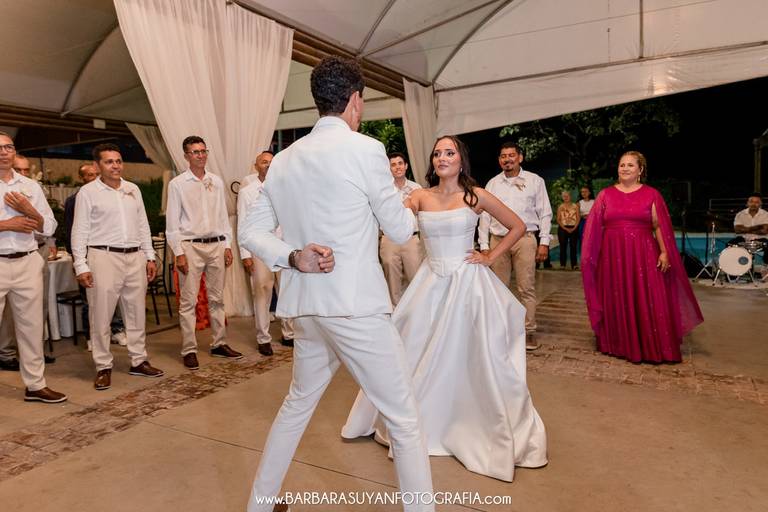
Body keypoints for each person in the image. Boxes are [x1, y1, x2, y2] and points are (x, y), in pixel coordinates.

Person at [238, 56, 434, 512]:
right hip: (355, 308)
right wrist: (412, 207)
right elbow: (399, 229)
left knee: (296, 406)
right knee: (404, 420)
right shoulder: (365, 150)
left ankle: (259, 507)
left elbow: (250, 232)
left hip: (307, 308)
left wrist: (293, 257)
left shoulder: (284, 160)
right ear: (355, 101)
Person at [342, 135, 548, 482]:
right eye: (437, 153)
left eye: (449, 152)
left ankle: (469, 421)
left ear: (460, 159)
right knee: (412, 351)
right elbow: (389, 219)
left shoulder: (476, 195)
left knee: (473, 357)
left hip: (468, 283)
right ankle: (423, 421)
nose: (442, 157)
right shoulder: (419, 196)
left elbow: (517, 226)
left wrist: (490, 256)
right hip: (430, 281)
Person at [581, 151, 704, 363]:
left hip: (644, 255)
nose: (625, 168)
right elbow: (593, 228)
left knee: (648, 298)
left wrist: (664, 252)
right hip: (612, 257)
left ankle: (650, 345)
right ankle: (619, 344)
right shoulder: (605, 195)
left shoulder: (651, 194)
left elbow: (659, 227)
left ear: (640, 170)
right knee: (617, 296)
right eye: (622, 165)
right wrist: (590, 257)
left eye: (630, 165)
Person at [71, 143, 164, 390]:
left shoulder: (132, 189)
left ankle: (139, 360)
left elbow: (143, 224)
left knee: (136, 313)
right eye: (109, 161)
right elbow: (79, 230)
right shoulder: (88, 192)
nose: (116, 165)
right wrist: (81, 265)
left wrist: (150, 256)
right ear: (97, 165)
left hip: (135, 257)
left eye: (119, 160)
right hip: (103, 256)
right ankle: (103, 366)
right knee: (101, 315)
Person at [0, 131, 67, 403]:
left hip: (28, 261)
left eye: (8, 147)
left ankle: (36, 385)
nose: (4, 152)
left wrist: (30, 211)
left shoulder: (30, 186)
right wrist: (6, 224)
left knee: (31, 326)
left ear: (14, 151)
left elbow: (49, 226)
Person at [166, 135, 242, 370]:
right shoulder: (178, 184)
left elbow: (222, 215)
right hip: (191, 246)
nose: (201, 155)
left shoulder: (215, 181)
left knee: (217, 299)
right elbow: (172, 222)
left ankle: (219, 343)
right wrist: (178, 252)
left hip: (217, 244)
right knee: (188, 301)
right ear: (186, 156)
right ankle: (189, 349)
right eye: (195, 152)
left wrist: (227, 245)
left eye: (203, 151)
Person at [478, 142, 553, 350]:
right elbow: (484, 215)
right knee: (499, 289)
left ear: (520, 157)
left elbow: (545, 213)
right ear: (499, 160)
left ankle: (529, 331)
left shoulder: (535, 181)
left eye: (511, 155)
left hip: (525, 240)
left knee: (526, 287)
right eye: (503, 156)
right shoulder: (492, 184)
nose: (507, 159)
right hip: (498, 240)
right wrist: (484, 244)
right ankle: (502, 332)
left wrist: (544, 242)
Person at [237, 151, 294, 357]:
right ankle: (263, 338)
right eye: (264, 162)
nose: (268, 165)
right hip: (260, 248)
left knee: (286, 290)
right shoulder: (248, 192)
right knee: (262, 292)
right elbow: (243, 224)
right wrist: (245, 254)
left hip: (284, 247)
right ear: (256, 166)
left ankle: (289, 334)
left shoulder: (285, 188)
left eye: (271, 162)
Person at [64, 163, 126, 350]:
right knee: (89, 299)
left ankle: (116, 329)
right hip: (87, 255)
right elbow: (71, 231)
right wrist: (78, 261)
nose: (94, 177)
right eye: (89, 175)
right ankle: (91, 335)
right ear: (82, 178)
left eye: (96, 174)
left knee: (113, 294)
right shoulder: (75, 199)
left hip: (110, 253)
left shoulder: (110, 195)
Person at [379, 152, 424, 305]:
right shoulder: (383, 190)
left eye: (400, 163)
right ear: (388, 168)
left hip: (411, 238)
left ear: (406, 166)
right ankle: (395, 313)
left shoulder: (416, 188)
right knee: (392, 281)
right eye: (393, 164)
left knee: (416, 277)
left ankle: (418, 309)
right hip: (389, 239)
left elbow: (422, 214)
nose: (397, 167)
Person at [731, 193, 768, 263]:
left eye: (757, 202)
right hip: (743, 239)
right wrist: (758, 227)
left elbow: (764, 231)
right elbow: (737, 230)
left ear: (760, 204)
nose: (753, 204)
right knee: (730, 244)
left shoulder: (766, 214)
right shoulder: (740, 214)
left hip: (761, 240)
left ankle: (766, 265)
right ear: (747, 203)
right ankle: (736, 266)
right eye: (751, 201)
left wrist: (745, 229)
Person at [556, 190, 580, 269]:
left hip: (574, 227)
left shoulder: (575, 206)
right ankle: (562, 264)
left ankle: (574, 264)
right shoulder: (560, 206)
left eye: (567, 196)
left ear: (570, 196)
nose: (566, 197)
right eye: (564, 196)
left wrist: (574, 228)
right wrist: (565, 228)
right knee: (563, 246)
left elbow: (578, 218)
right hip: (563, 228)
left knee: (573, 246)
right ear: (562, 197)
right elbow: (558, 219)